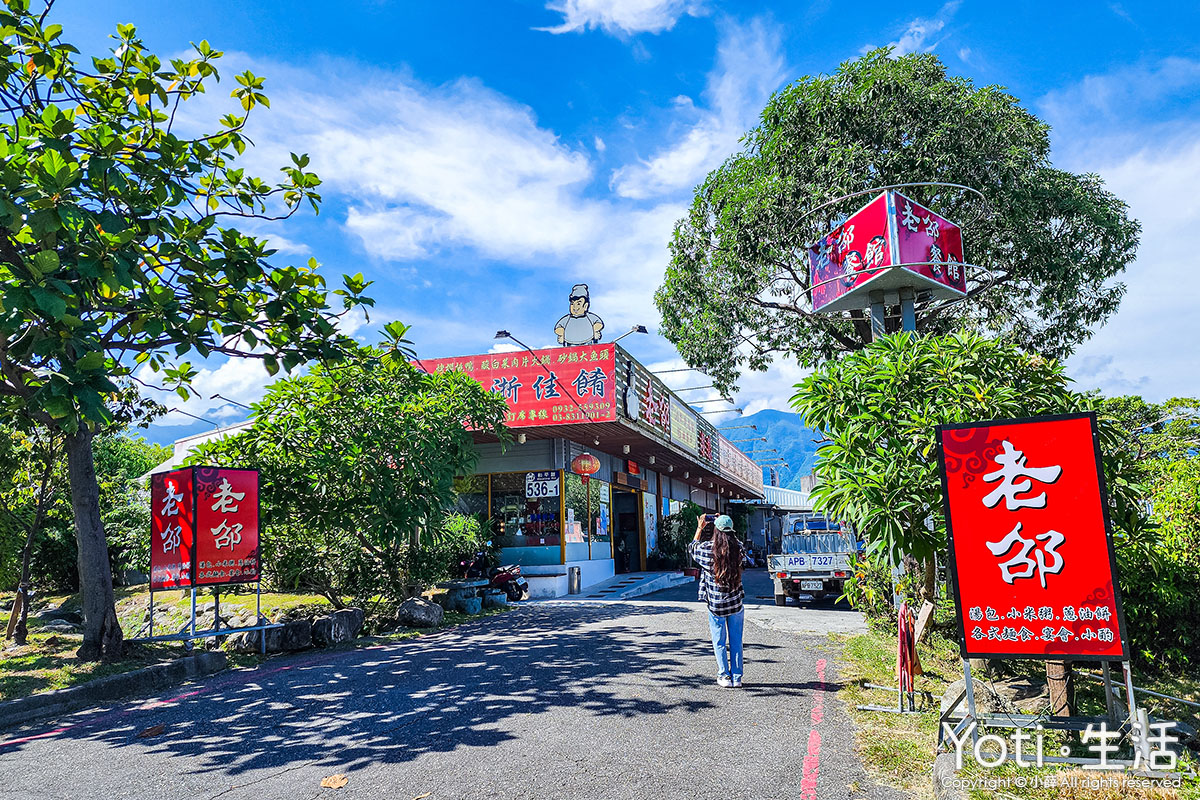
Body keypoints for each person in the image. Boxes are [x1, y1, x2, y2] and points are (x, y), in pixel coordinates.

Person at [688, 514, 746, 688]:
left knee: (719, 641)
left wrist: (700, 526)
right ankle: (737, 677)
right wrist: (725, 520)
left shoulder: (707, 550)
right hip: (735, 603)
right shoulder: (739, 548)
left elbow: (692, 547)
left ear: (716, 530)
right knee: (736, 641)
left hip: (715, 605)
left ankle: (724, 676)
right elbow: (737, 544)